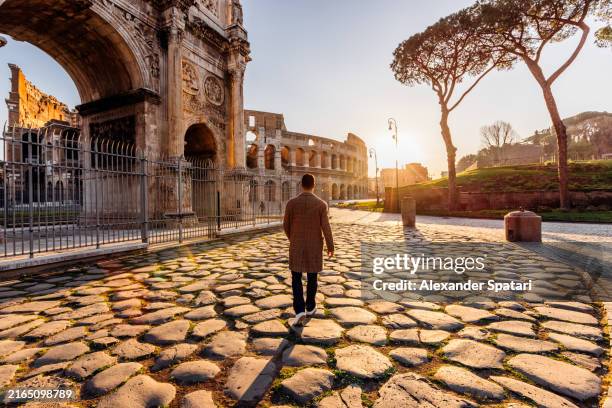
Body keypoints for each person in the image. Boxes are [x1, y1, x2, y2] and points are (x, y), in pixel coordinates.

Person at [283, 174, 334, 327]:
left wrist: (293, 238)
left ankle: (299, 310)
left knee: (296, 277)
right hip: (314, 246)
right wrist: (330, 246)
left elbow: (286, 225)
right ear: (314, 185)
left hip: (296, 245)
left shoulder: (291, 203)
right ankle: (310, 307)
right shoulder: (321, 204)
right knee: (312, 277)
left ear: (301, 185)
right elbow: (326, 227)